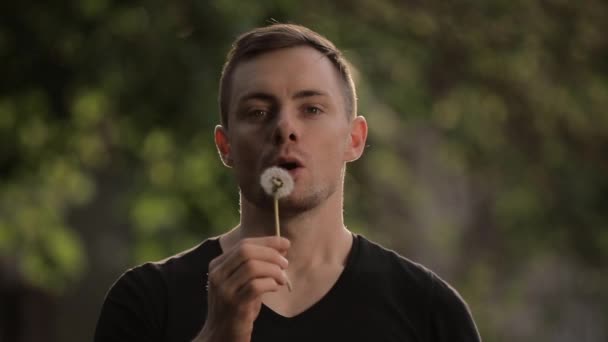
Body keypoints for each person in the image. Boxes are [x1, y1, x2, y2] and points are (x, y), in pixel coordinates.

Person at [94, 23, 481, 342]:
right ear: (225, 146)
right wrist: (217, 333)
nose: (284, 129)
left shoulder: (428, 310)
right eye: (258, 112)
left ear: (355, 138)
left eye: (311, 109)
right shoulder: (146, 301)